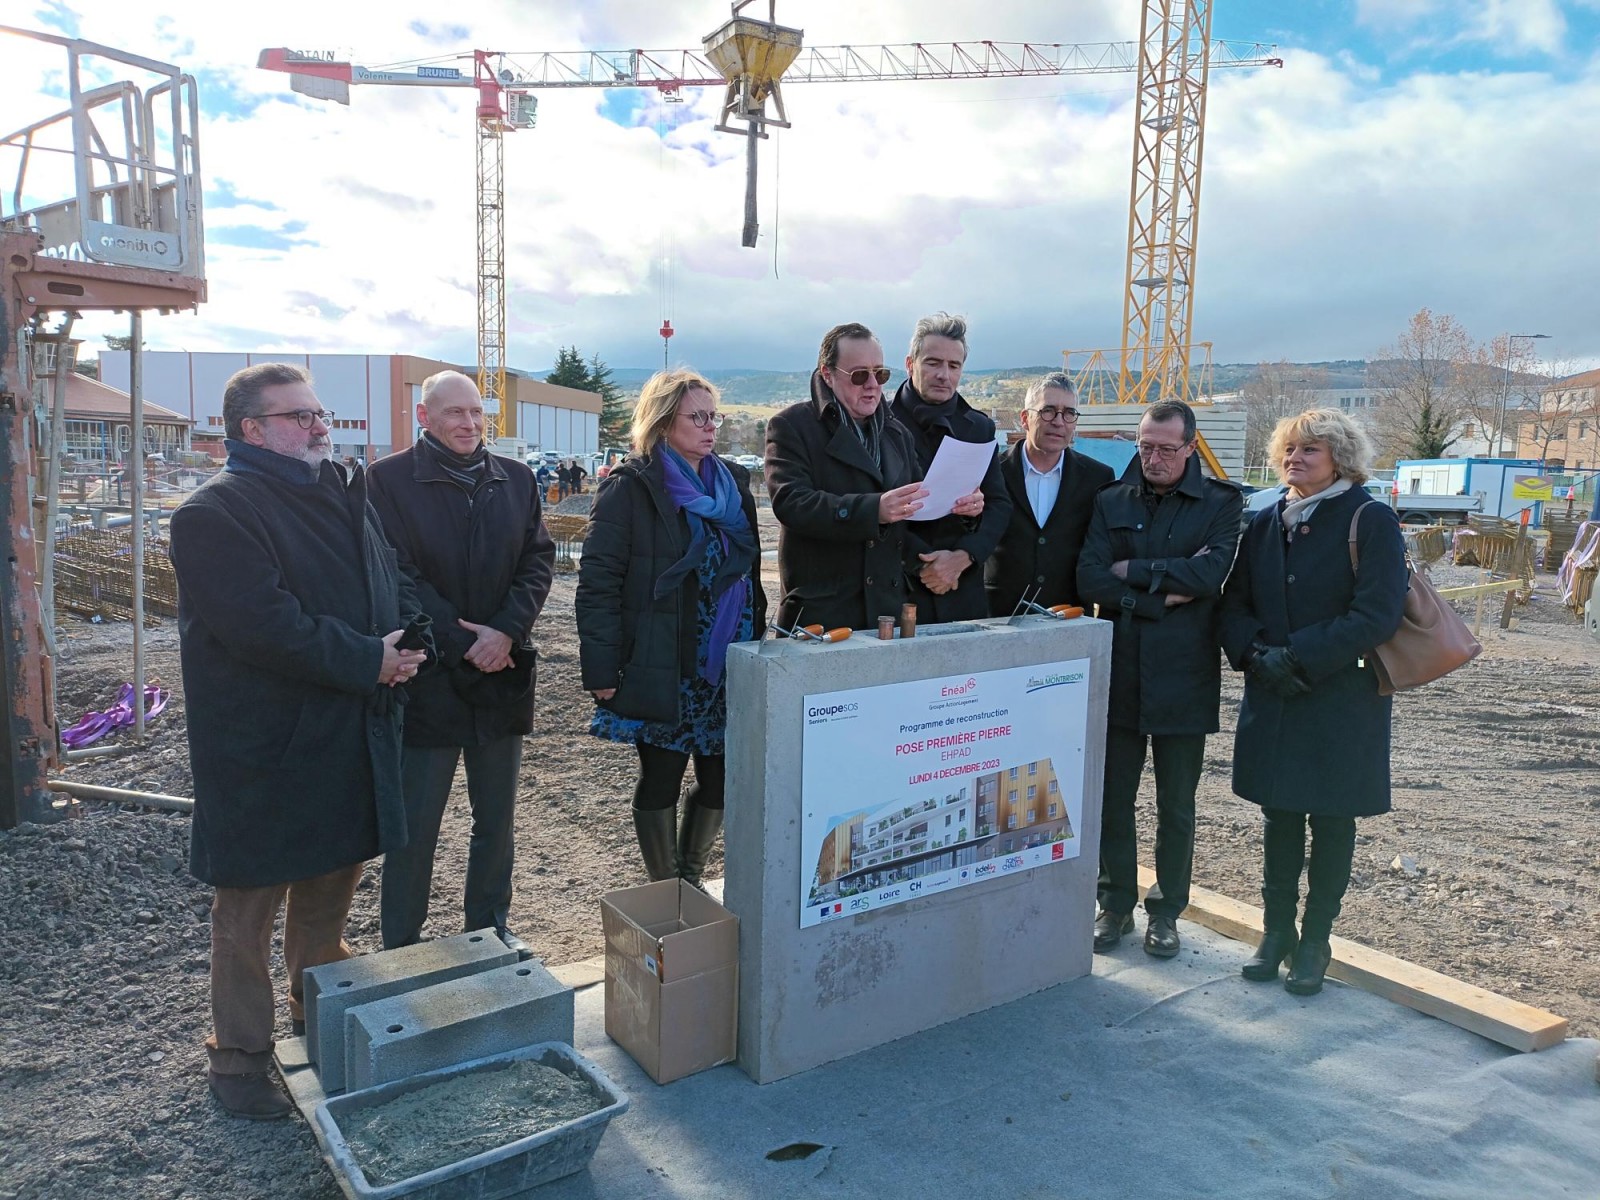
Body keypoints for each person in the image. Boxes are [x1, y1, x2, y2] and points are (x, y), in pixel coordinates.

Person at [168, 363, 428, 1119]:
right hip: (264, 752)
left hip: (345, 734)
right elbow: (264, 628)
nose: (320, 427)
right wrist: (366, 660)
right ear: (250, 430)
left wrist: (412, 642)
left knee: (326, 898)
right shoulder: (216, 513)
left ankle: (318, 1018)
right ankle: (241, 1063)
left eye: (320, 413)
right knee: (245, 918)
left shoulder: (341, 493)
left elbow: (392, 578)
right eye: (299, 416)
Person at [367, 370, 556, 955]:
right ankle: (402, 945)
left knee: (495, 821)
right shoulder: (388, 482)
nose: (469, 424)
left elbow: (537, 560)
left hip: (501, 675)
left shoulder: (516, 480)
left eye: (476, 413)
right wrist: (461, 639)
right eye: (454, 413)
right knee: (415, 828)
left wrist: (505, 630)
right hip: (429, 677)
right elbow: (396, 572)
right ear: (424, 417)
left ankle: (488, 932)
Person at [1220, 409, 1407, 994]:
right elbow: (1234, 603)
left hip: (1340, 697)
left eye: (1311, 450)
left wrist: (1297, 655)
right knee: (1279, 814)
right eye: (1290, 449)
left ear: (1341, 459)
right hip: (1275, 692)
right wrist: (1256, 655)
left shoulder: (1370, 519)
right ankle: (1276, 933)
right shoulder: (1265, 520)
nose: (1295, 459)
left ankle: (1316, 939)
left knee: (1331, 820)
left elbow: (1378, 613)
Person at [577, 369, 766, 885]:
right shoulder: (631, 488)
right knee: (660, 778)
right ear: (663, 423)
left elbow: (748, 571)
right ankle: (667, 889)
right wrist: (601, 666)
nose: (710, 427)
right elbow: (598, 583)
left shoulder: (733, 487)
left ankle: (690, 873)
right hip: (664, 661)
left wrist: (758, 638)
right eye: (697, 417)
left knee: (721, 781)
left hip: (726, 664)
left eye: (713, 416)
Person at [1077, 400, 1243, 958]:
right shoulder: (1111, 501)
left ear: (1190, 447)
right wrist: (1156, 596)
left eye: (1166, 448)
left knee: (1177, 805)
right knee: (1113, 798)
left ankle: (1166, 912)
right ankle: (1115, 905)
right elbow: (1090, 577)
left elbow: (1210, 574)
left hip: (1184, 674)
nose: (1153, 458)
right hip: (1121, 670)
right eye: (1145, 446)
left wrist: (1133, 572)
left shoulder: (1222, 504)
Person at [765, 322, 936, 631]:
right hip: (824, 616)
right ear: (827, 375)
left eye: (880, 374)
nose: (872, 384)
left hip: (887, 614)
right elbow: (792, 502)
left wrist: (962, 507)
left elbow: (915, 509)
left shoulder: (897, 433)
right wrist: (874, 510)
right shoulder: (792, 426)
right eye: (859, 375)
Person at [889, 312, 1010, 623]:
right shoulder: (879, 426)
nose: (943, 374)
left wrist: (963, 556)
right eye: (933, 362)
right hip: (898, 591)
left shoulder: (979, 427)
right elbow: (872, 510)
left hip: (963, 592)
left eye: (953, 366)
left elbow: (999, 505)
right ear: (909, 363)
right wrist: (924, 565)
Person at [986, 371, 1113, 617]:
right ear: (1025, 418)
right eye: (1048, 410)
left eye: (1069, 413)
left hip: (1067, 618)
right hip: (997, 616)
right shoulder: (991, 472)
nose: (1058, 421)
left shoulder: (1098, 478)